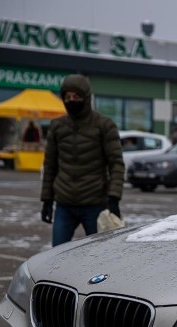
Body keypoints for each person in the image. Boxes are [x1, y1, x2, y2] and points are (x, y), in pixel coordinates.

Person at [40, 74, 125, 246]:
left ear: (86, 98)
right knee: (57, 255)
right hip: (64, 203)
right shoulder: (57, 126)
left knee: (99, 254)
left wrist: (114, 198)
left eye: (76, 97)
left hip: (94, 203)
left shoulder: (104, 125)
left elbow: (116, 163)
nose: (71, 101)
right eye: (67, 97)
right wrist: (47, 200)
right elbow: (50, 165)